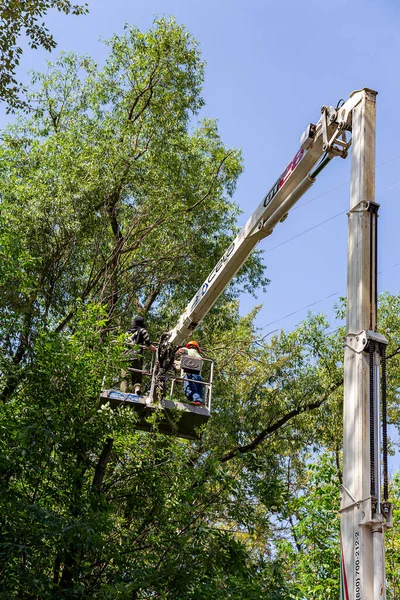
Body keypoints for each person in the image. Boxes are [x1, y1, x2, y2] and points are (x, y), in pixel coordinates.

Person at [121, 315, 156, 395]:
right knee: (137, 375)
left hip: (125, 356)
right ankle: (137, 390)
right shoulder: (142, 330)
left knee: (124, 376)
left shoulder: (127, 332)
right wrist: (151, 347)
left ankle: (123, 392)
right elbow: (147, 341)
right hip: (136, 355)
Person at [180, 341, 204, 405]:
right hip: (199, 377)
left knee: (189, 390)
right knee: (198, 391)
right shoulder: (199, 356)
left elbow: (181, 350)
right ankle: (199, 402)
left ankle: (197, 400)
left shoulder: (188, 350)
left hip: (189, 375)